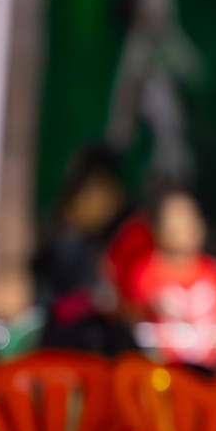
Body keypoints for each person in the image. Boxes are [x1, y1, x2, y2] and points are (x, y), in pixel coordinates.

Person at [127, 188, 216, 374]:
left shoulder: (214, 273)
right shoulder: (145, 272)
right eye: (174, 217)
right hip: (164, 378)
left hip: (211, 377)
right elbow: (134, 326)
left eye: (188, 217)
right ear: (159, 228)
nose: (182, 224)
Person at [31, 144, 139, 356]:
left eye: (106, 187)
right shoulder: (67, 243)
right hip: (70, 345)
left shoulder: (124, 237)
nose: (102, 198)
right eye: (92, 190)